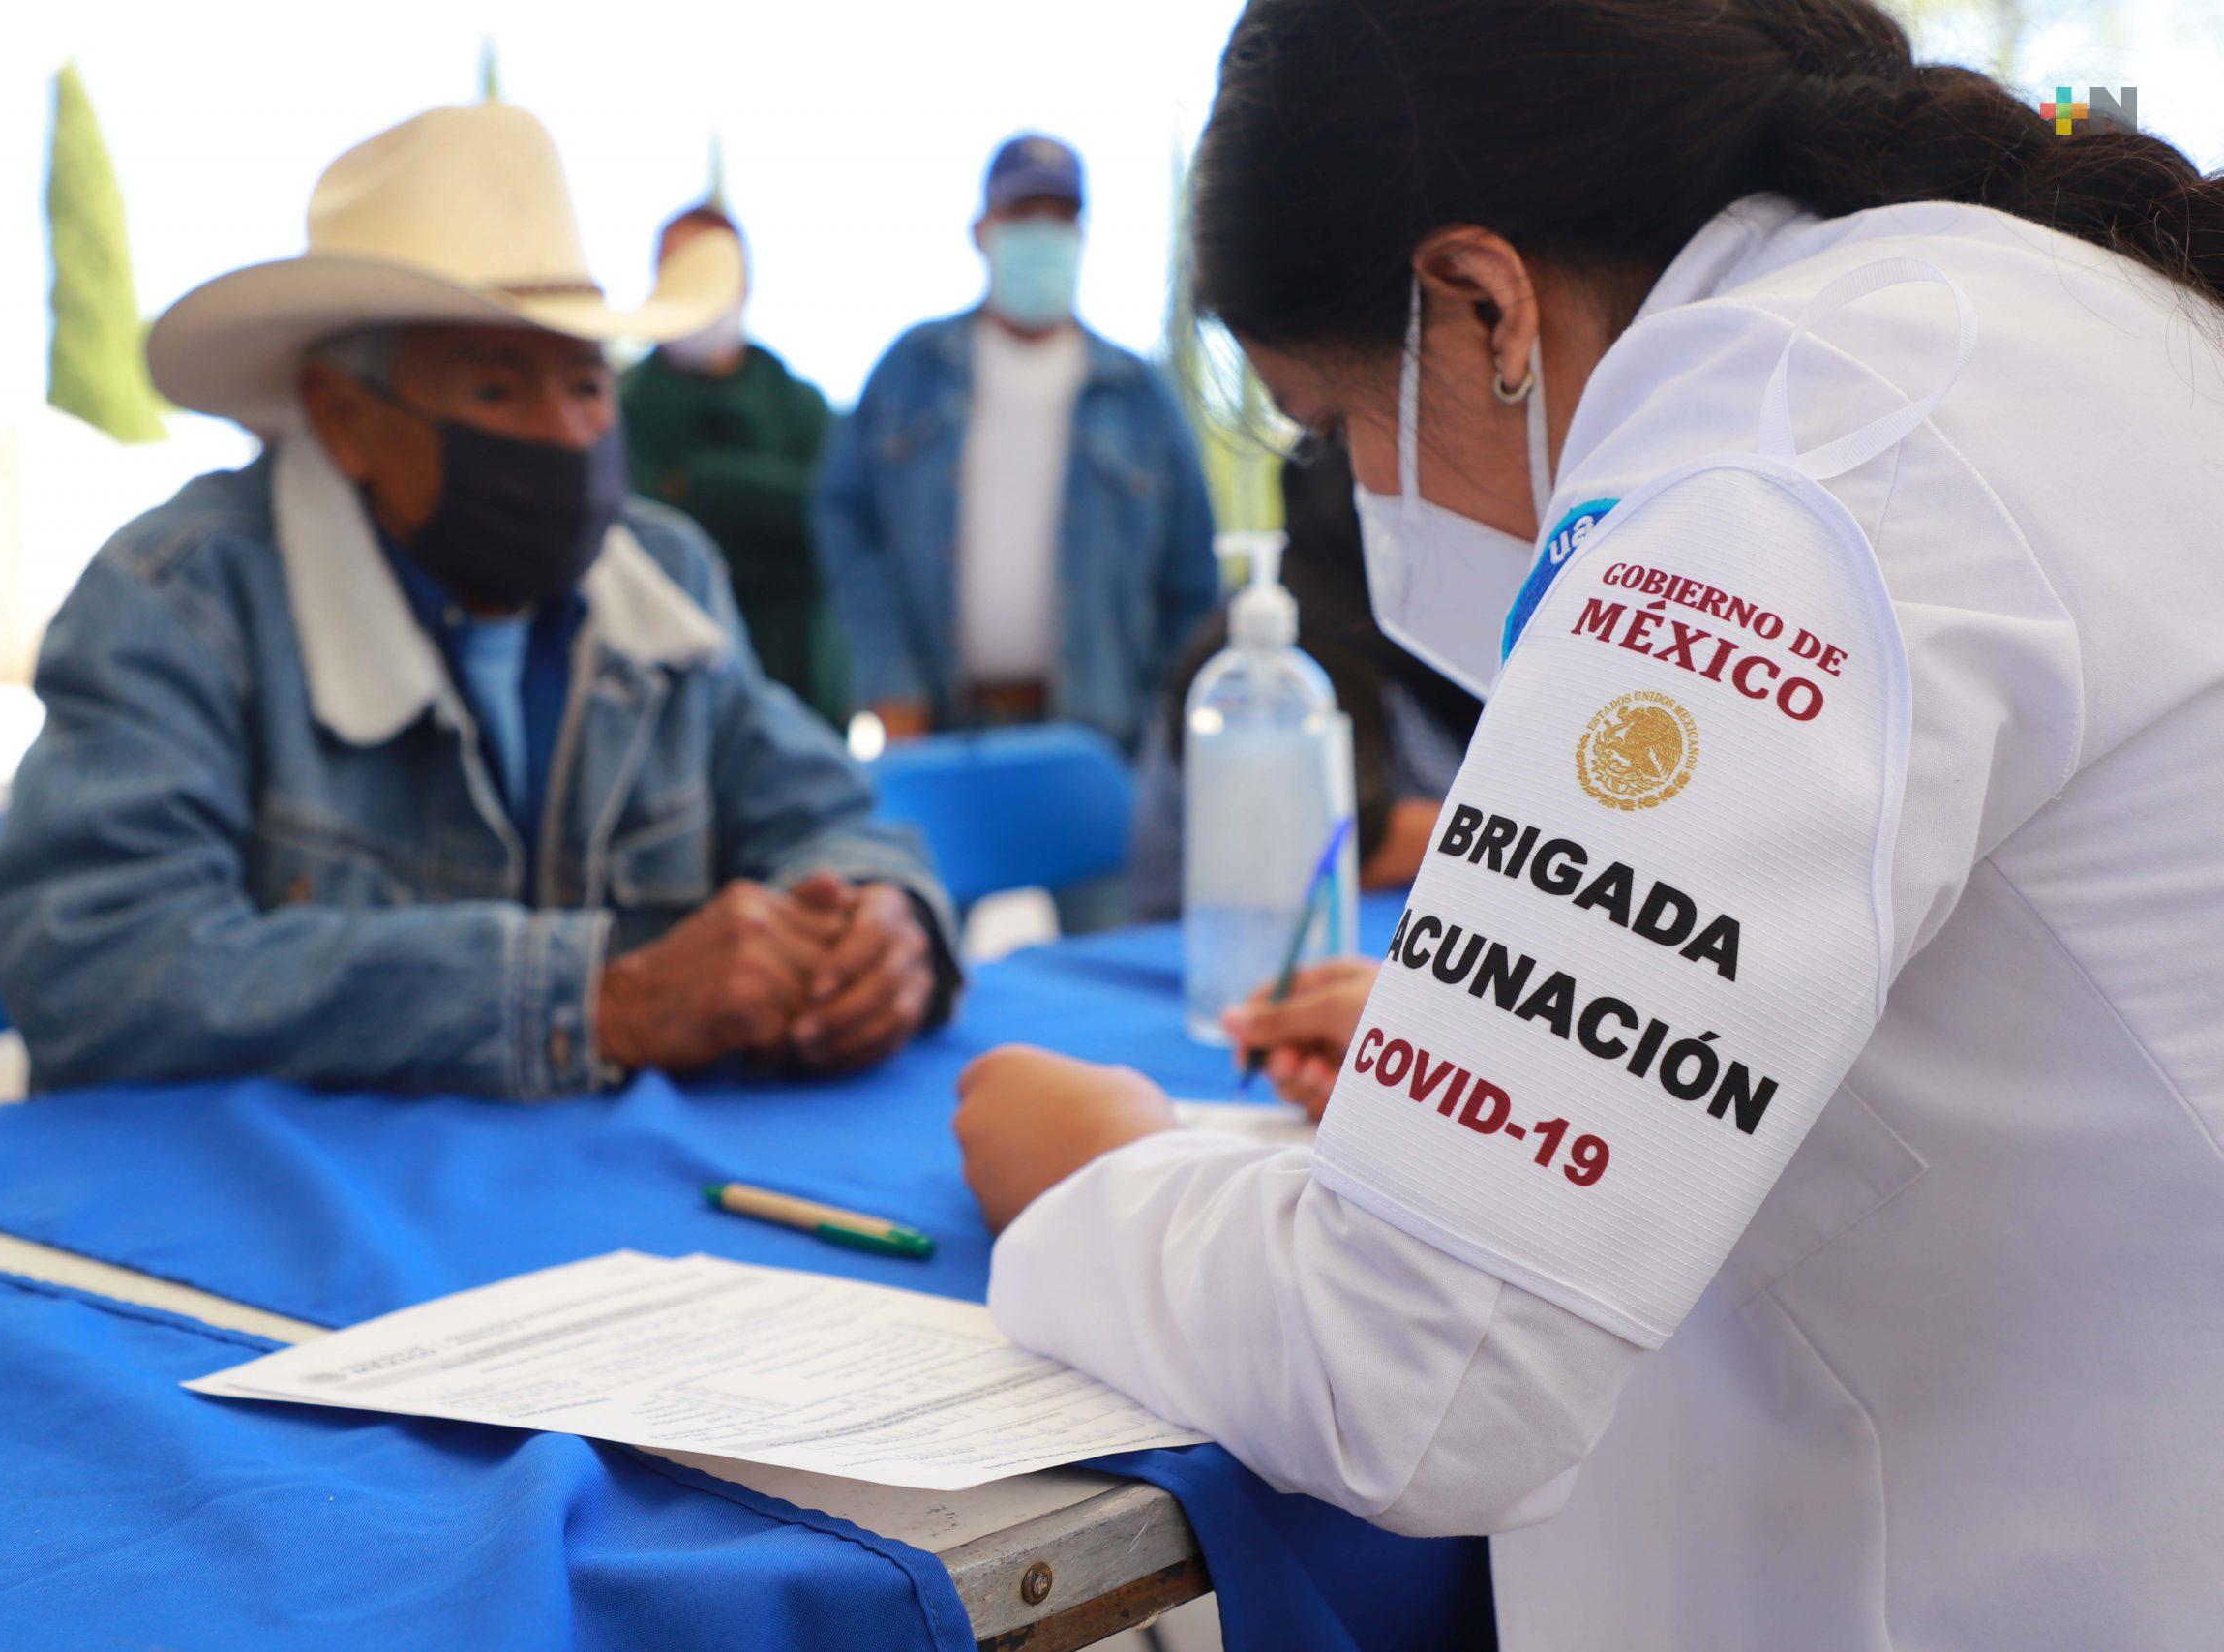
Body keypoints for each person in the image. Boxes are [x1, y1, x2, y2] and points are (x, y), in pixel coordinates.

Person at [952, 3, 2224, 1646]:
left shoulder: (1781, 454)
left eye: (1338, 426)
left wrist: (1103, 1176)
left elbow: (1412, 1375)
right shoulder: (2026, 331)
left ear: (1480, 304)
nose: (1365, 490)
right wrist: (1488, 1058)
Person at [0, 104, 954, 1098]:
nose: (567, 436)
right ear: (342, 417)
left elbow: (823, 809)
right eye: (495, 392)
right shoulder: (182, 601)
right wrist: (598, 1001)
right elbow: (97, 967)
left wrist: (875, 922)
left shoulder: (663, 579)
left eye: (587, 387)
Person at [812, 133, 1219, 752]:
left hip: (1101, 743)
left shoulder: (1142, 398)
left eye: (1060, 217)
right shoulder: (912, 371)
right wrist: (887, 677)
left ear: (1082, 234)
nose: (1042, 233)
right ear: (983, 229)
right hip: (940, 735)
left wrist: (1165, 722)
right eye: (1022, 214)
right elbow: (846, 525)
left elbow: (1192, 587)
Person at [1127, 436, 1481, 917]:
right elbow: (1341, 849)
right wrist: (1512, 841)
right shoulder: (1260, 667)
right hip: (1207, 940)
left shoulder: (1408, 640)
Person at [622, 204, 851, 728]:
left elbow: (831, 531)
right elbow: (642, 553)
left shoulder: (801, 406)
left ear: (745, 280)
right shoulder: (620, 408)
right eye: (677, 265)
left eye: (710, 266)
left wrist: (696, 485)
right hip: (665, 701)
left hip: (802, 692)